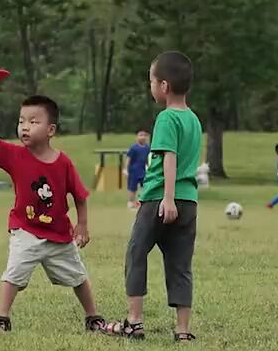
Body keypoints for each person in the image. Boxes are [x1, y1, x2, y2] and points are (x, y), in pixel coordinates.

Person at [0, 91, 106, 334]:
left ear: (51, 130)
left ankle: (93, 317)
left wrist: (82, 225)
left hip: (59, 234)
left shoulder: (64, 163)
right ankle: (2, 317)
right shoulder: (15, 156)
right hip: (25, 230)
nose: (25, 127)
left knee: (78, 276)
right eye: (21, 121)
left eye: (33, 121)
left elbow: (80, 196)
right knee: (13, 273)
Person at [106, 51, 202, 343]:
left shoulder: (166, 118)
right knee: (180, 264)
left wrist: (167, 198)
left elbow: (169, 157)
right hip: (189, 202)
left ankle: (134, 321)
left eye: (151, 80)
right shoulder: (194, 119)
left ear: (164, 86)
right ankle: (182, 330)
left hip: (161, 199)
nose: (150, 86)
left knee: (136, 253)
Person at [125, 129, 150, 209]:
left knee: (144, 187)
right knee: (133, 188)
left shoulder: (147, 147)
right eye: (140, 135)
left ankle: (141, 201)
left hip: (143, 171)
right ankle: (130, 202)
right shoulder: (133, 147)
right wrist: (126, 169)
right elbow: (128, 159)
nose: (142, 137)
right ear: (137, 137)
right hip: (134, 171)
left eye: (144, 135)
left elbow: (147, 159)